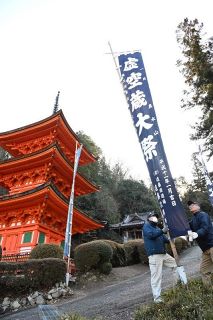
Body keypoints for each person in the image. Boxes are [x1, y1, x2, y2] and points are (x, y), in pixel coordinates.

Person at [143, 212, 178, 303]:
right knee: (156, 277)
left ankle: (177, 287)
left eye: (156, 217)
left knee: (176, 265)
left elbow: (165, 239)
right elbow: (151, 235)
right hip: (154, 255)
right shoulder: (146, 226)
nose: (155, 218)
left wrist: (171, 238)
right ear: (149, 218)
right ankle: (157, 298)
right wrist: (163, 230)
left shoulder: (157, 228)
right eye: (153, 217)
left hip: (163, 254)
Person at [187, 200, 213, 286]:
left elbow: (204, 228)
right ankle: (208, 292)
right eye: (189, 205)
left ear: (198, 206)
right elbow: (185, 226)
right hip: (205, 250)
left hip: (212, 245)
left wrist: (197, 233)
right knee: (204, 271)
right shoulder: (193, 220)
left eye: (193, 204)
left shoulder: (203, 215)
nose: (191, 206)